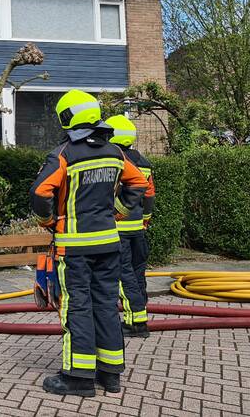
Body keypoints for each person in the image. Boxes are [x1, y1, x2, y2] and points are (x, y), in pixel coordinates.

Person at [30, 90, 149, 397]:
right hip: (109, 243)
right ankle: (110, 375)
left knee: (77, 307)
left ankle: (78, 377)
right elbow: (138, 182)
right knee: (107, 305)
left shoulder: (64, 155)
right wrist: (119, 212)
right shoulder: (115, 152)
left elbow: (40, 192)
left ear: (67, 118)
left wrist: (49, 223)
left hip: (75, 249)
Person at [104, 115, 156, 339]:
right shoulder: (143, 162)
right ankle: (140, 319)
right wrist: (145, 220)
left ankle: (133, 321)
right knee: (138, 272)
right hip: (138, 230)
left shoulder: (115, 160)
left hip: (120, 228)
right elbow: (150, 195)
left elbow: (109, 192)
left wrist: (112, 215)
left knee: (124, 275)